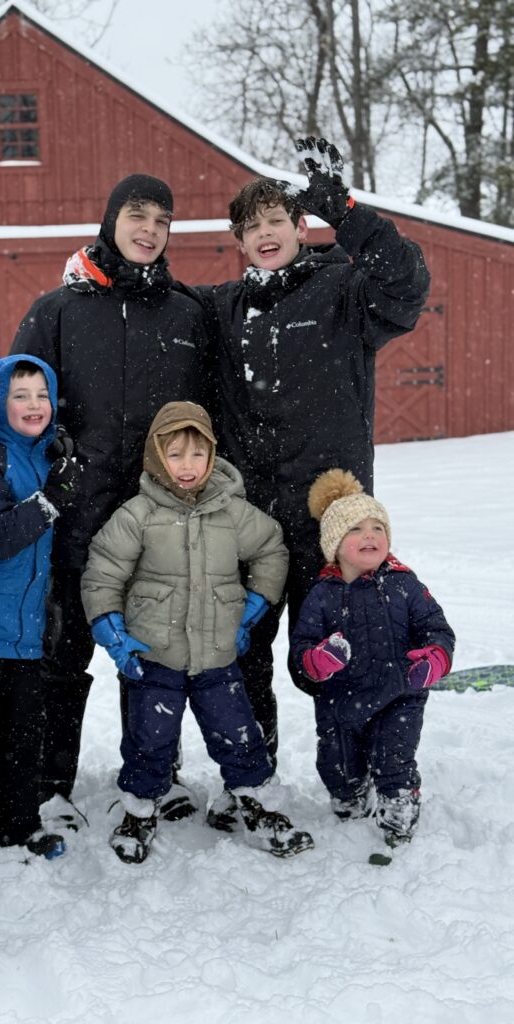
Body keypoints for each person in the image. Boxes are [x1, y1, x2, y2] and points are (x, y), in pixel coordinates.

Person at [185, 135, 431, 830]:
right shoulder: (222, 310)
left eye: (277, 221)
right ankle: (250, 781)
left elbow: (406, 281)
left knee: (354, 657)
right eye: (250, 226)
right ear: (238, 241)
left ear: (300, 228)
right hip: (250, 523)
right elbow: (157, 321)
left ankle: (374, 778)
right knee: (241, 657)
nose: (264, 234)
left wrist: (344, 210)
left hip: (331, 520)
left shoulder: (344, 290)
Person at [10, 173, 210, 826]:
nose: (149, 228)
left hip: (156, 526)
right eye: (137, 213)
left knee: (150, 661)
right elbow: (18, 409)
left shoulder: (186, 315)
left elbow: (209, 418)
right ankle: (49, 786)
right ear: (110, 220)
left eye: (162, 217)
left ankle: (155, 777)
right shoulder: (58, 311)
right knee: (62, 662)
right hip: (73, 522)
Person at [81, 401, 314, 864]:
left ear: (211, 456)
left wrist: (252, 607)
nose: (187, 466)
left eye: (197, 454)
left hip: (218, 655)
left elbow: (272, 548)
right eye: (175, 455)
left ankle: (257, 805)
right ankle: (139, 812)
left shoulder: (232, 512)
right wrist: (110, 629)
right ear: (155, 458)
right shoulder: (138, 514)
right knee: (149, 742)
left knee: (239, 735)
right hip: (153, 655)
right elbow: (102, 571)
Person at [289, 468, 455, 851]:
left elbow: (437, 629)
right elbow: (302, 649)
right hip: (339, 700)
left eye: (377, 528)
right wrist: (318, 661)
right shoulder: (321, 595)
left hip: (400, 693)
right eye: (356, 529)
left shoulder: (406, 584)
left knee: (393, 758)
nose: (370, 535)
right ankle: (349, 793)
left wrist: (434, 658)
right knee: (337, 766)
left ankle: (399, 801)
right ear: (334, 544)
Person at [0, 353, 80, 859]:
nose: (34, 404)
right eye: (20, 395)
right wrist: (50, 497)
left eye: (42, 394)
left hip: (30, 629)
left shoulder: (49, 455)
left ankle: (21, 826)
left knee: (24, 737)